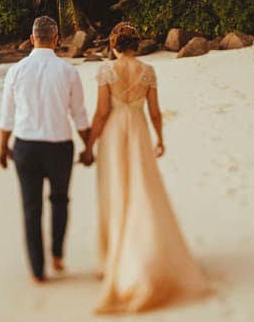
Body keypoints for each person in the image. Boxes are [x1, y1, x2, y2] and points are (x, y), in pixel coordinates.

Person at [83, 22, 210, 313]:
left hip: (115, 133)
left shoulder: (106, 71)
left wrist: (90, 143)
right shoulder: (148, 72)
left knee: (115, 190)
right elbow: (154, 111)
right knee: (141, 188)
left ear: (114, 46)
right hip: (138, 130)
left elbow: (102, 112)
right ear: (135, 46)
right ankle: (138, 253)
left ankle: (112, 259)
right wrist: (160, 138)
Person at [0, 15, 92, 284]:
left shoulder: (15, 71)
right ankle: (58, 255)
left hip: (26, 147)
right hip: (59, 146)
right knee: (60, 200)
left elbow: (6, 115)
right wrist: (88, 147)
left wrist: (2, 147)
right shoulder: (68, 72)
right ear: (56, 40)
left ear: (31, 39)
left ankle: (37, 271)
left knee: (31, 208)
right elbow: (79, 115)